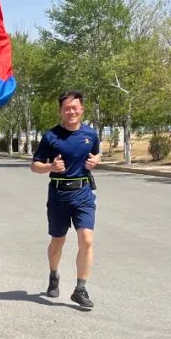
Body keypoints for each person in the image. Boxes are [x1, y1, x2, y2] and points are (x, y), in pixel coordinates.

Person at [30, 89, 101, 310]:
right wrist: (51, 167)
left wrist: (96, 160)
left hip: (83, 193)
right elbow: (35, 165)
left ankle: (80, 289)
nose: (71, 111)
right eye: (66, 108)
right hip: (59, 194)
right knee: (58, 241)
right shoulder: (51, 136)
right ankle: (53, 275)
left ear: (82, 109)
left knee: (87, 240)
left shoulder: (91, 134)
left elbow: (96, 154)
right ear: (61, 111)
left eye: (75, 107)